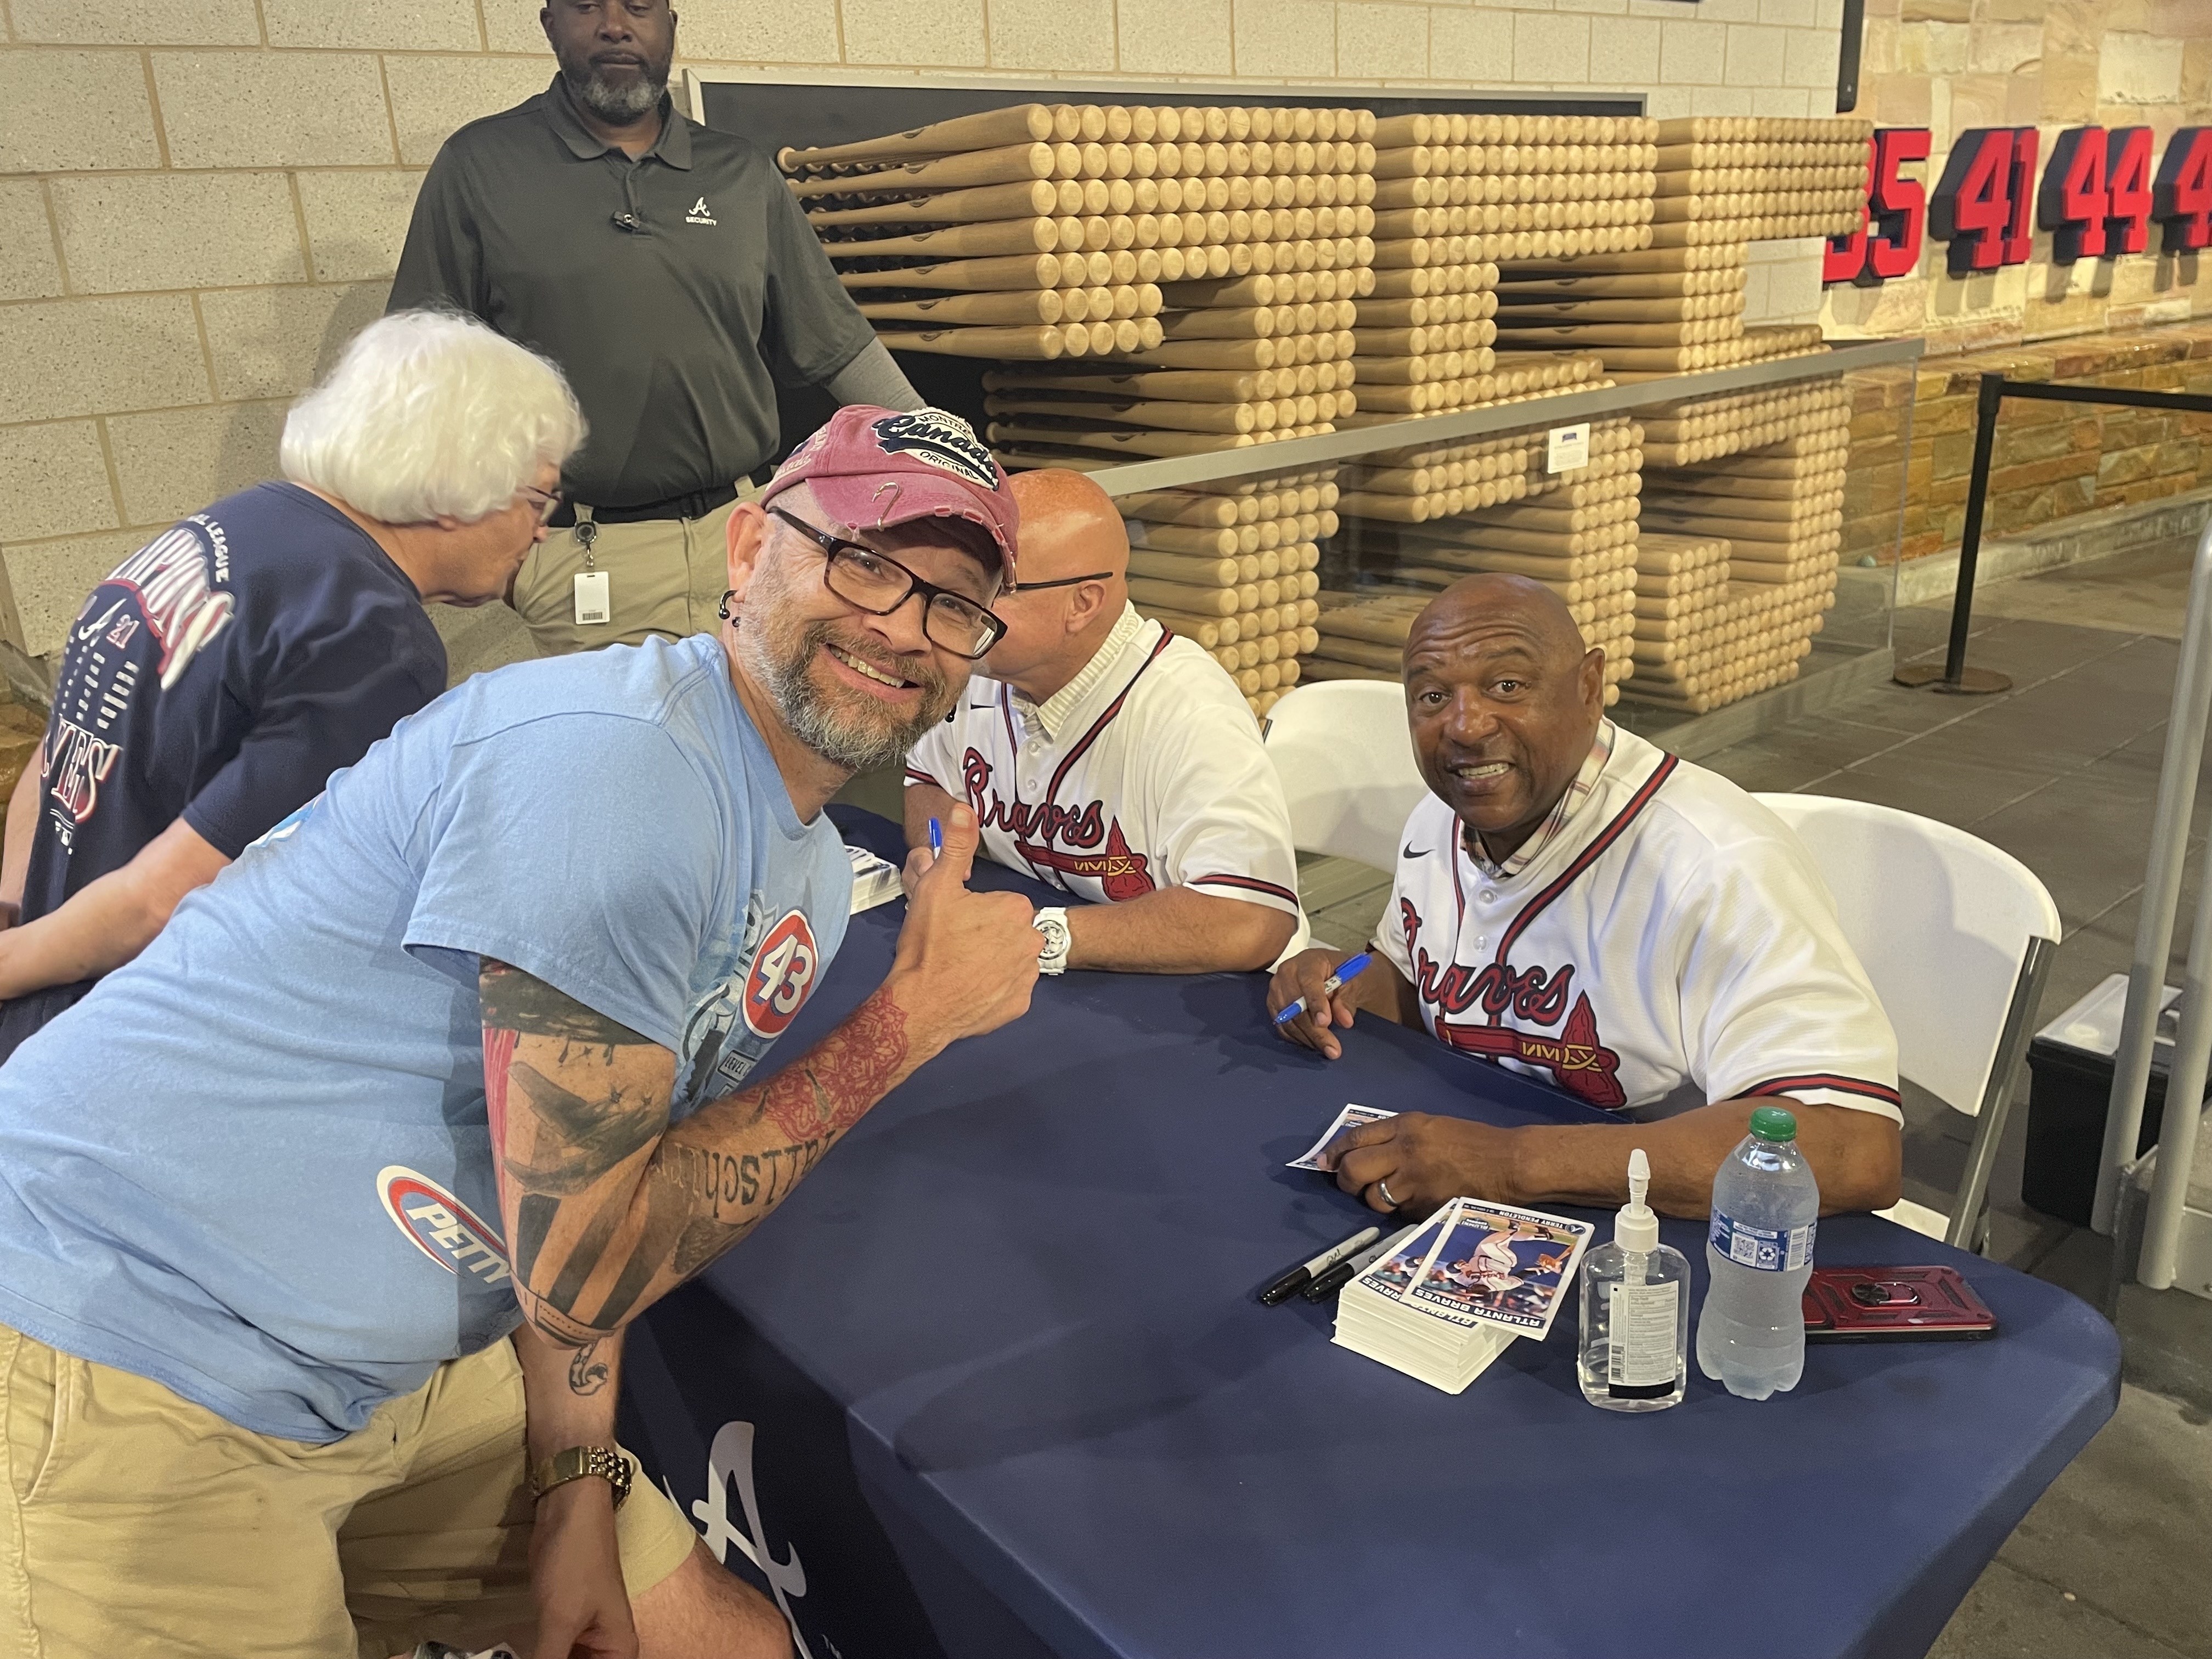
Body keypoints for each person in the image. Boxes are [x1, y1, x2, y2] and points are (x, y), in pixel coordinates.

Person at [0, 404, 1043, 1658]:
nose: (901, 626)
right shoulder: (615, 771)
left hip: (389, 1369)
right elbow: (590, 1263)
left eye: (952, 603)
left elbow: (579, 1191)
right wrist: (911, 1021)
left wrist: (574, 1495)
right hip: (123, 1358)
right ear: (750, 544)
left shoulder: (808, 873)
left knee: (727, 1644)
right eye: (865, 561)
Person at [0, 309, 580, 1064]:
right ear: (455, 485)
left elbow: (58, 751)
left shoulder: (231, 524)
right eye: (537, 501)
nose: (542, 532)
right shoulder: (369, 637)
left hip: (46, 974)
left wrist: (15, 912)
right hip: (121, 1038)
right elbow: (165, 900)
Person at [1268, 573, 1901, 1220]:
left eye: (1506, 686)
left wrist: (1507, 1166)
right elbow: (1420, 983)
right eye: (1433, 696)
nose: (1464, 725)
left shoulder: (1716, 862)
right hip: (1477, 1167)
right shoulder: (1444, 816)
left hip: (1657, 1232)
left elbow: (1853, 1147)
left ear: (1589, 688)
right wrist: (1334, 984)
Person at [388, 0, 926, 657]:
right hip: (585, 555)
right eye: (588, 6)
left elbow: (839, 345)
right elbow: (422, 368)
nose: (615, 24)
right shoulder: (480, 168)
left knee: (765, 752)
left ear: (670, 24)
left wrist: (955, 465)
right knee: (622, 758)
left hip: (752, 535)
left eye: (639, 6)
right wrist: (461, 543)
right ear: (549, 23)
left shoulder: (740, 174)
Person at [901, 469, 1306, 976]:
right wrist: (939, 859)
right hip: (1059, 974)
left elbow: (1251, 918)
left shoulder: (1189, 709)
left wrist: (1035, 937)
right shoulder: (981, 663)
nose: (961, 610)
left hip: (1202, 1003)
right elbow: (931, 780)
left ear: (1083, 603)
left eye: (994, 587)